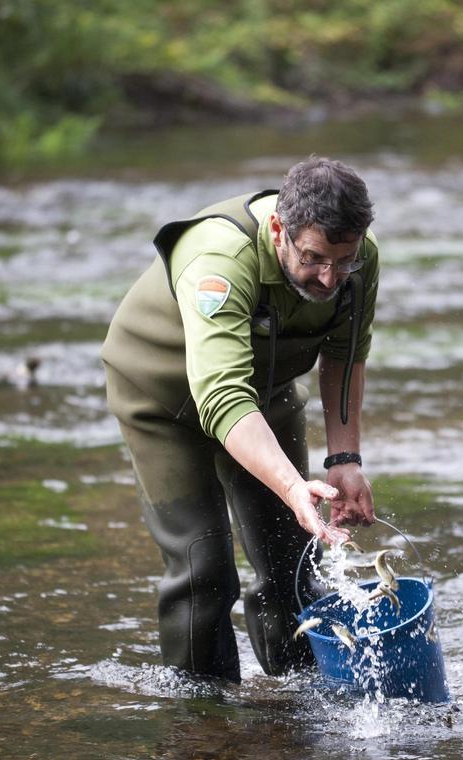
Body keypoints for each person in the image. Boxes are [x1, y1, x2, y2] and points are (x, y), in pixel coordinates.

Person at [100, 156, 379, 681]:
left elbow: (345, 357)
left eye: (345, 263)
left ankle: (297, 703)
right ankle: (204, 720)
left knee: (291, 561)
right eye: (315, 258)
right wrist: (292, 485)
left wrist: (344, 460)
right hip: (162, 400)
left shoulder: (358, 262)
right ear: (279, 229)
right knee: (202, 567)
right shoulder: (219, 260)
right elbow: (223, 397)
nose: (330, 278)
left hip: (264, 390)